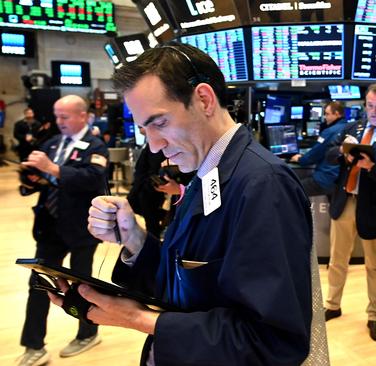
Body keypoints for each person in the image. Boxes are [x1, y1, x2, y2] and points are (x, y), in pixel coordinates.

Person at [49, 43, 313, 365]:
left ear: (204, 99)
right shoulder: (205, 172)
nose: (156, 146)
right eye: (145, 130)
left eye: (159, 123)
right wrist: (134, 238)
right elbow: (184, 279)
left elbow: (272, 341)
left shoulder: (263, 185)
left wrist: (138, 319)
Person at [18, 95, 108, 365]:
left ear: (82, 115)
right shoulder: (53, 143)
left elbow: (93, 179)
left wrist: (53, 169)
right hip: (49, 226)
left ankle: (87, 333)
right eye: (57, 116)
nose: (60, 122)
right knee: (38, 284)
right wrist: (31, 176)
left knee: (82, 286)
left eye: (65, 117)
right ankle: (34, 345)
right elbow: (38, 178)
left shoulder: (96, 146)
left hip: (81, 227)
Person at [324, 82, 376, 342]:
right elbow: (328, 155)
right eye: (369, 106)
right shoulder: (352, 129)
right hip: (346, 202)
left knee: (375, 266)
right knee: (337, 260)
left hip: (373, 209)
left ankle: (375, 317)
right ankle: (333, 304)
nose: (373, 111)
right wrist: (342, 152)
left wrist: (373, 167)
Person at [290, 101, 348, 196]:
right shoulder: (349, 128)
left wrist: (300, 159)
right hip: (339, 181)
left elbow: (314, 155)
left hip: (325, 179)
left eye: (327, 114)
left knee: (292, 190)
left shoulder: (329, 131)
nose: (325, 117)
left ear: (337, 114)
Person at [126, 127, 167, 238]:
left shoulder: (157, 141)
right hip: (143, 185)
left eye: (141, 126)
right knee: (137, 207)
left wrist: (148, 183)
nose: (139, 129)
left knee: (151, 220)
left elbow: (154, 167)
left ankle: (154, 245)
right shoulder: (149, 141)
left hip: (150, 187)